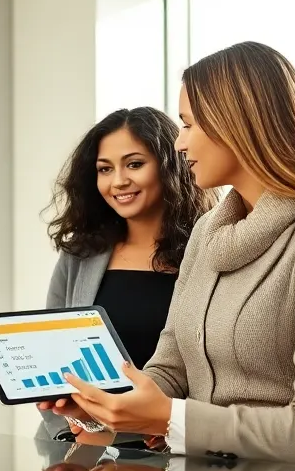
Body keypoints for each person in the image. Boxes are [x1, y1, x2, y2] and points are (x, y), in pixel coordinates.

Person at [42, 41, 295, 471]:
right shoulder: (209, 233)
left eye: (188, 124)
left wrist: (167, 418)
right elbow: (171, 368)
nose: (179, 144)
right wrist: (106, 405)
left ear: (238, 124)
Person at [41, 107, 212, 440]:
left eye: (134, 164)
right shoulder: (79, 254)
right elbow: (54, 359)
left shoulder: (208, 250)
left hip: (173, 446)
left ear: (169, 165)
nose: (118, 181)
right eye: (105, 169)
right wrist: (74, 432)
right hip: (83, 445)